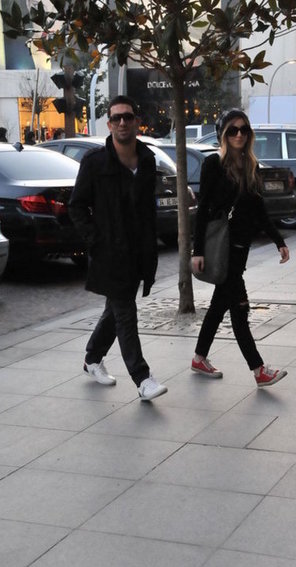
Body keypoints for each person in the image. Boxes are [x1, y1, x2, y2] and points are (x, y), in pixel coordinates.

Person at [68, 95, 167, 401]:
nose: (123, 122)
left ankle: (92, 359)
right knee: (125, 312)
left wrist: (153, 248)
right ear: (109, 124)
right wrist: (95, 239)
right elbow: (76, 206)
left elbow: (147, 210)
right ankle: (142, 378)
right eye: (116, 118)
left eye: (128, 117)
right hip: (110, 252)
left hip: (138, 252)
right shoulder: (95, 162)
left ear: (137, 122)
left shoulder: (147, 159)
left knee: (115, 309)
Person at [191, 108, 290, 387]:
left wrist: (279, 240)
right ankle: (259, 370)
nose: (239, 135)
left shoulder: (250, 166)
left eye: (244, 130)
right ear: (223, 134)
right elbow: (202, 209)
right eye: (233, 130)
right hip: (222, 247)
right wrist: (197, 251)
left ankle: (199, 358)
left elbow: (259, 210)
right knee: (239, 309)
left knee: (219, 305)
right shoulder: (213, 164)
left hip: (240, 248)